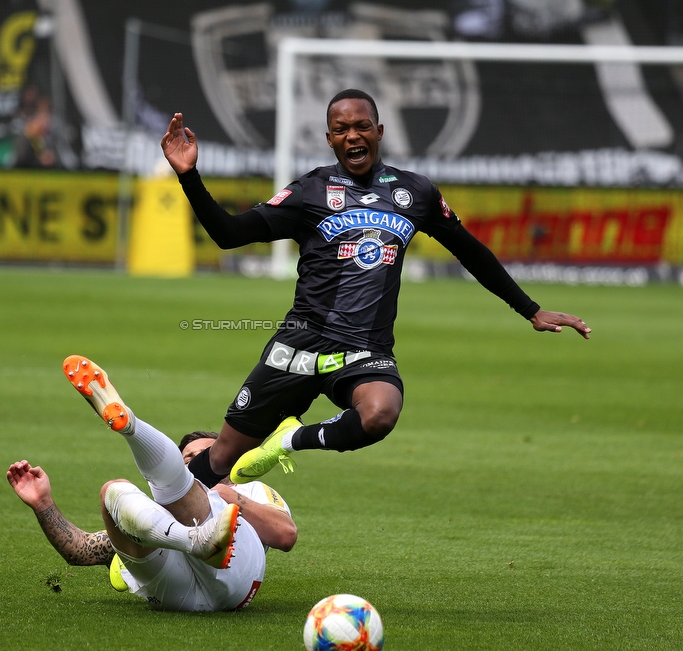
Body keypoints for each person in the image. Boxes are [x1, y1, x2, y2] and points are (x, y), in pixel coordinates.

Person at [159, 88, 592, 487]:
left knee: (381, 413)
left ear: (379, 131)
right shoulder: (310, 190)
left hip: (364, 349)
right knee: (223, 457)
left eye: (362, 126)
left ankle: (288, 441)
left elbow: (471, 251)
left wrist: (531, 310)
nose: (353, 136)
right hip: (301, 343)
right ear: (329, 138)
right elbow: (228, 234)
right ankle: (142, 534)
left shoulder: (415, 192)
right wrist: (189, 175)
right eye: (342, 129)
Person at [6, 355, 297, 612]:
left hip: (234, 580)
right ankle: (192, 538)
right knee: (113, 491)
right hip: (174, 595)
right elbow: (80, 551)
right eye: (188, 457)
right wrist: (43, 504)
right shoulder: (153, 519)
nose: (195, 460)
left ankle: (131, 426)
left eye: (205, 456)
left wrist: (226, 495)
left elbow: (285, 535)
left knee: (186, 495)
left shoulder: (248, 490)